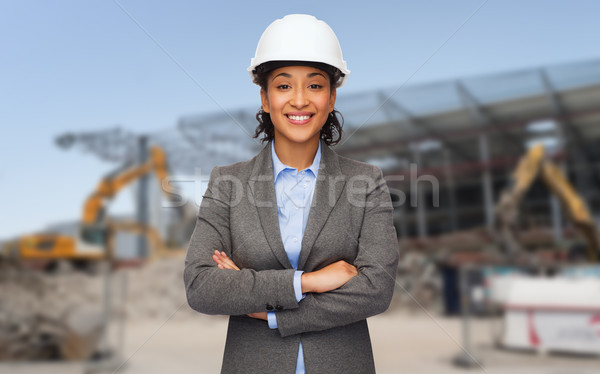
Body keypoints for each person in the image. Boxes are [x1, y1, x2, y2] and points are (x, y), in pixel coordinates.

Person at [184, 14, 399, 374]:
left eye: (314, 86)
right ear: (265, 99)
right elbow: (201, 285)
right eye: (283, 86)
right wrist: (307, 282)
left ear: (331, 98)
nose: (299, 101)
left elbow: (377, 288)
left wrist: (268, 313)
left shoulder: (366, 181)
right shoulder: (227, 183)